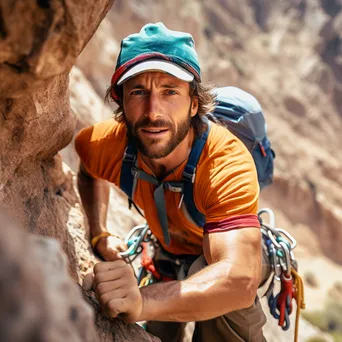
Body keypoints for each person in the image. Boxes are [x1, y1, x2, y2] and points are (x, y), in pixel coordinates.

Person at [76, 22, 269, 342]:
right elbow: (88, 171)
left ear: (194, 103)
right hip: (167, 251)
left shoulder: (225, 161)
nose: (153, 112)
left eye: (170, 92)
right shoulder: (101, 145)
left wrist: (143, 301)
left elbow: (238, 278)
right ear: (120, 100)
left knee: (207, 285)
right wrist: (99, 235)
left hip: (220, 254)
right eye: (138, 92)